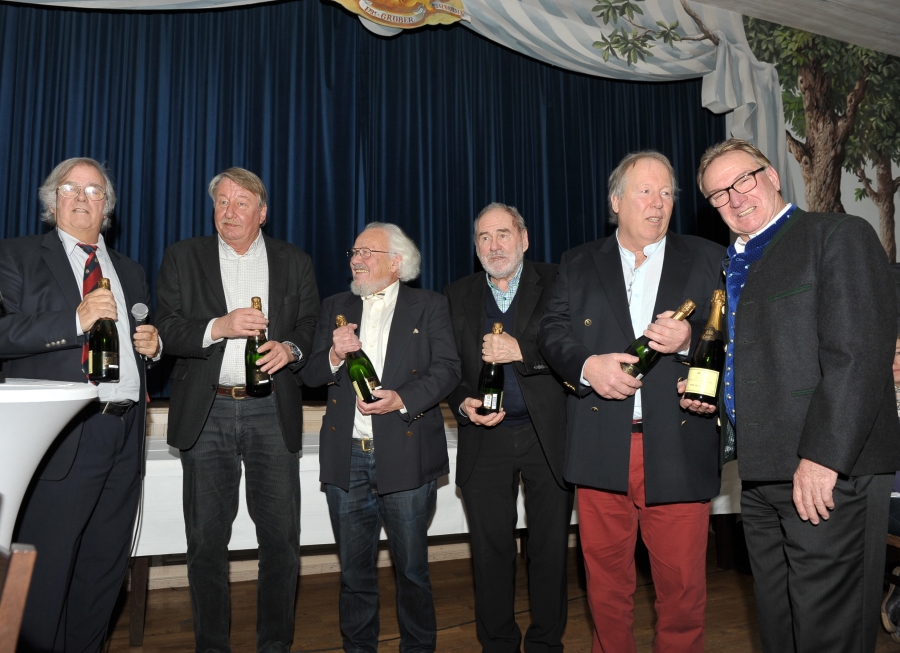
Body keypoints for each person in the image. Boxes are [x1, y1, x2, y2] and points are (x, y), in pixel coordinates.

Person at [682, 138, 900, 653]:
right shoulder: (735, 264)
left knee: (829, 634)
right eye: (719, 194)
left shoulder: (837, 235)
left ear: (773, 176)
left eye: (744, 180)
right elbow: (772, 352)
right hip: (761, 473)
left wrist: (823, 459)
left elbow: (858, 357)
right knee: (779, 629)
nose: (735, 198)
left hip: (827, 472)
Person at [538, 151, 724, 653]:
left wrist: (691, 339)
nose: (658, 203)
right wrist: (587, 367)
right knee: (605, 588)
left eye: (666, 193)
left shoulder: (708, 257)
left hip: (678, 444)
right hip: (600, 444)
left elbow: (742, 333)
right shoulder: (579, 261)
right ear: (616, 201)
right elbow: (551, 330)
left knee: (682, 593)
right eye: (645, 191)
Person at [155, 167, 319, 653]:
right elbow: (166, 329)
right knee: (205, 543)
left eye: (241, 203)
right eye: (221, 202)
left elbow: (309, 325)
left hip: (272, 410)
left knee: (281, 542)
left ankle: (275, 644)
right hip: (207, 413)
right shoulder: (183, 257)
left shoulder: (294, 261)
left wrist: (290, 349)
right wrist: (218, 327)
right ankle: (212, 646)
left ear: (262, 213)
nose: (229, 212)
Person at [0, 157, 161, 652]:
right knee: (47, 573)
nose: (81, 197)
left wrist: (153, 348)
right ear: (52, 202)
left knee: (103, 571)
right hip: (64, 435)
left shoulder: (130, 270)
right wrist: (75, 319)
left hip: (125, 433)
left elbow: (132, 347)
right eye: (70, 188)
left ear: (106, 207)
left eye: (93, 191)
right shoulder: (17, 256)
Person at [300, 222, 460, 653]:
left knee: (412, 571)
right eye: (354, 252)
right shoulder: (335, 306)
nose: (356, 259)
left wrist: (402, 399)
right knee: (354, 575)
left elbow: (448, 369)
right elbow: (309, 376)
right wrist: (334, 354)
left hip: (406, 453)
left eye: (366, 252)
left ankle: (418, 647)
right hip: (347, 457)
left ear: (396, 262)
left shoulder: (429, 305)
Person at [444, 203, 573, 653]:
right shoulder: (456, 294)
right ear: (475, 246)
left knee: (549, 549)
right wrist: (462, 402)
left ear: (524, 238)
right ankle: (497, 644)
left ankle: (545, 644)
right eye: (484, 237)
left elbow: (576, 352)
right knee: (490, 551)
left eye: (503, 234)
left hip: (547, 436)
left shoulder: (558, 282)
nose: (494, 245)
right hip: (485, 438)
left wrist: (522, 352)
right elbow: (448, 368)